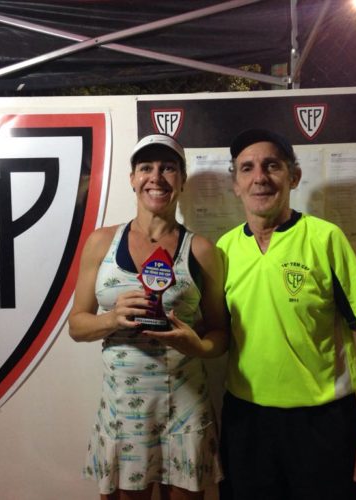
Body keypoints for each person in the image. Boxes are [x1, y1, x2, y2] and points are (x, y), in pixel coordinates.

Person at [216, 129, 356, 500]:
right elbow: (215, 334)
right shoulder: (224, 249)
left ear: (293, 176)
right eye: (247, 168)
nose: (259, 177)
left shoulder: (325, 239)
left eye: (272, 166)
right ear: (235, 185)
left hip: (323, 423)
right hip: (247, 423)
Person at [68, 134, 228, 500]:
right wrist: (112, 319)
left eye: (168, 168)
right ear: (132, 179)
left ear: (182, 181)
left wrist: (197, 346)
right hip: (122, 409)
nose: (156, 177)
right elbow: (77, 324)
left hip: (185, 406)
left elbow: (221, 334)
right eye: (146, 168)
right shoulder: (101, 242)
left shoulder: (202, 250)